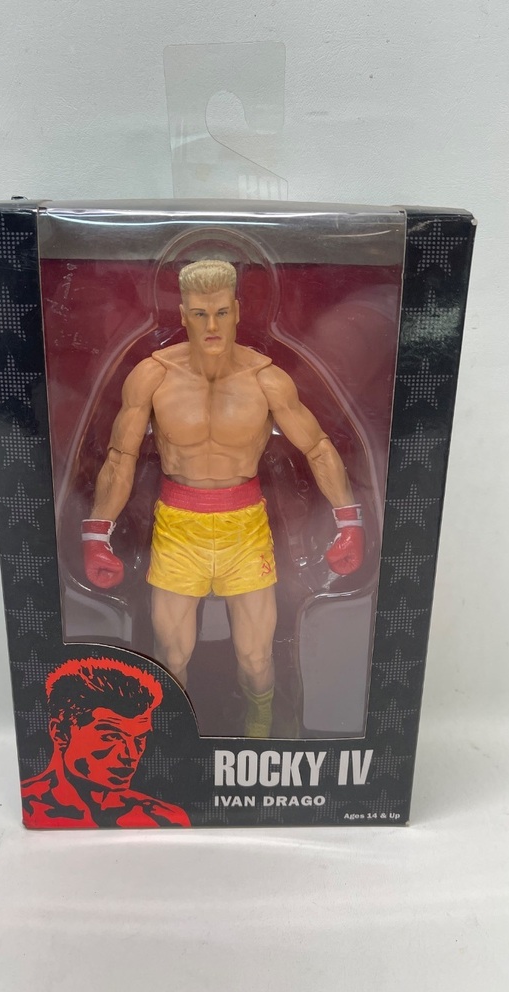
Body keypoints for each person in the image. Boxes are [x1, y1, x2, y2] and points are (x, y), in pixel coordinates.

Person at [81, 259, 364, 738]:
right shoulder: (153, 376)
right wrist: (96, 532)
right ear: (183, 314)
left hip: (244, 528)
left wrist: (348, 522)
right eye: (199, 314)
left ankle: (260, 735)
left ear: (236, 310)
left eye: (220, 313)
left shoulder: (266, 379)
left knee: (256, 657)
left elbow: (317, 447)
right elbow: (120, 457)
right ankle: (175, 741)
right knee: (170, 657)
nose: (211, 325)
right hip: (178, 528)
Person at [22, 656, 190, 828]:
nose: (131, 755)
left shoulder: (163, 817)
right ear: (60, 733)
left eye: (139, 738)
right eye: (112, 737)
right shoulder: (30, 807)